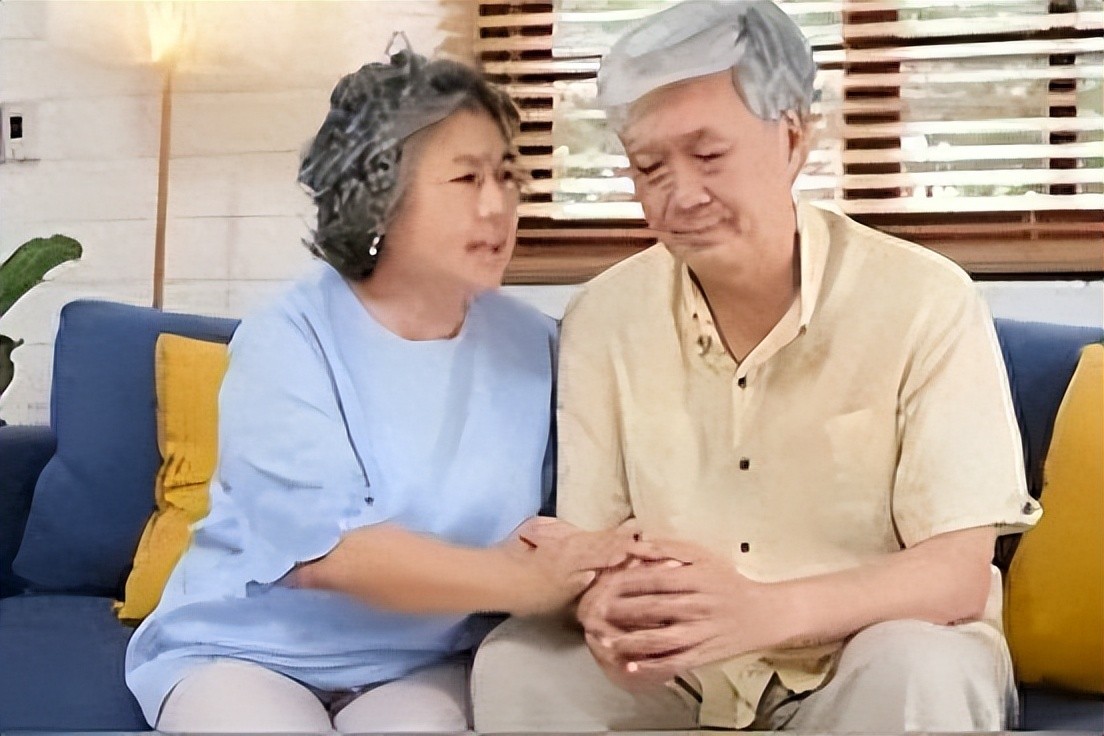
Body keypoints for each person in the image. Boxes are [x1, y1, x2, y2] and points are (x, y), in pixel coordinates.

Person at [471, 1, 1042, 732]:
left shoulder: (925, 300)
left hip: (857, 662)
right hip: (678, 673)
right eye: (649, 168)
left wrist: (764, 611)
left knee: (918, 664)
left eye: (709, 156)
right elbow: (593, 546)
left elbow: (955, 574)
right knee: (518, 663)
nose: (681, 196)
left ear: (793, 138)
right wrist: (598, 601)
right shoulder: (602, 318)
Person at [125, 43, 634, 734]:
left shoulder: (539, 345)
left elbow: (580, 515)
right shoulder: (288, 338)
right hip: (246, 650)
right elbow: (325, 553)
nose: (498, 205)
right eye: (467, 178)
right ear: (378, 195)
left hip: (423, 664)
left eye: (508, 175)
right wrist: (528, 583)